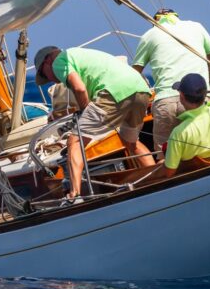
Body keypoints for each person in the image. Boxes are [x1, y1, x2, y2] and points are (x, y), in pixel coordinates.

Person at [34, 46, 156, 201]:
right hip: (141, 89)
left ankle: (74, 194)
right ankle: (156, 176)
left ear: (47, 61)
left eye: (45, 75)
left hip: (114, 92)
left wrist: (84, 111)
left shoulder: (58, 62)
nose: (50, 80)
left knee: (75, 141)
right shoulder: (79, 53)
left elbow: (79, 88)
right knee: (131, 142)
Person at [132, 8, 210, 151]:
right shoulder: (196, 27)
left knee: (165, 154)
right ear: (177, 17)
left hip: (166, 101)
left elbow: (135, 73)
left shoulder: (149, 35)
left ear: (155, 21)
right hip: (197, 98)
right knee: (205, 148)